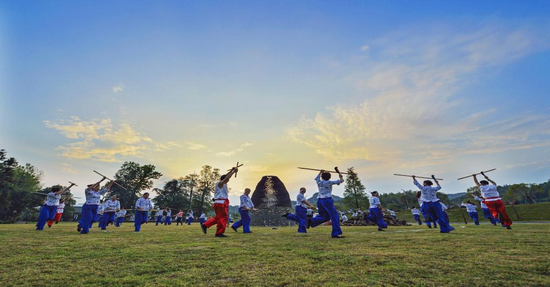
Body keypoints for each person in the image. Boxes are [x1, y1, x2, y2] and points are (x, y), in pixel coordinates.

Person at [201, 167, 239, 237]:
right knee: (223, 217)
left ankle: (205, 225)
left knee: (218, 217)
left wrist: (231, 170)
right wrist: (233, 172)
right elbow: (227, 178)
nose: (228, 180)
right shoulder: (220, 184)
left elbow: (226, 176)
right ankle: (219, 233)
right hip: (221, 204)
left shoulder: (221, 185)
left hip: (218, 203)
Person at [309, 170, 345, 238]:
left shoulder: (319, 182)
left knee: (325, 216)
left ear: (322, 177)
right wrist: (340, 175)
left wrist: (320, 172)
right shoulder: (329, 182)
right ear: (329, 177)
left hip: (319, 200)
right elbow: (341, 180)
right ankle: (335, 233)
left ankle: (311, 221)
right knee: (335, 216)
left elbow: (316, 178)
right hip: (327, 200)